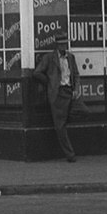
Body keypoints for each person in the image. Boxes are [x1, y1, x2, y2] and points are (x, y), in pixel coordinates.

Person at [31, 32, 83, 161]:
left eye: (65, 44)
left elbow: (76, 74)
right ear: (57, 45)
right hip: (57, 94)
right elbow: (37, 73)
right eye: (61, 44)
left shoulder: (71, 57)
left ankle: (69, 147)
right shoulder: (49, 58)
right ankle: (70, 155)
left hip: (70, 93)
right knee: (60, 126)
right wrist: (50, 83)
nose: (63, 46)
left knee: (84, 112)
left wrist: (76, 89)